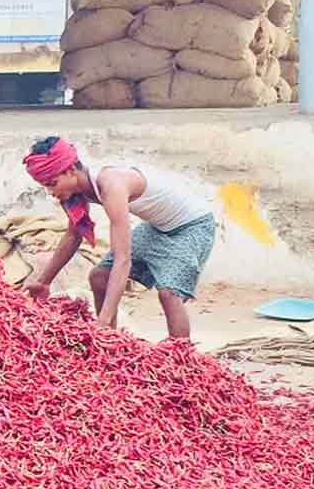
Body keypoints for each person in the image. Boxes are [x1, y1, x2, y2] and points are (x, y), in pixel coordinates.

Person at [21, 136, 215, 339]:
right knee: (99, 277)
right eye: (45, 186)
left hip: (193, 226)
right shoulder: (74, 190)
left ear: (70, 170)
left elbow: (123, 259)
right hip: (158, 227)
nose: (50, 191)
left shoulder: (110, 184)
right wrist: (43, 282)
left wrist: (102, 321)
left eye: (52, 183)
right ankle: (110, 343)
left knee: (169, 294)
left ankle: (181, 360)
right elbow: (74, 235)